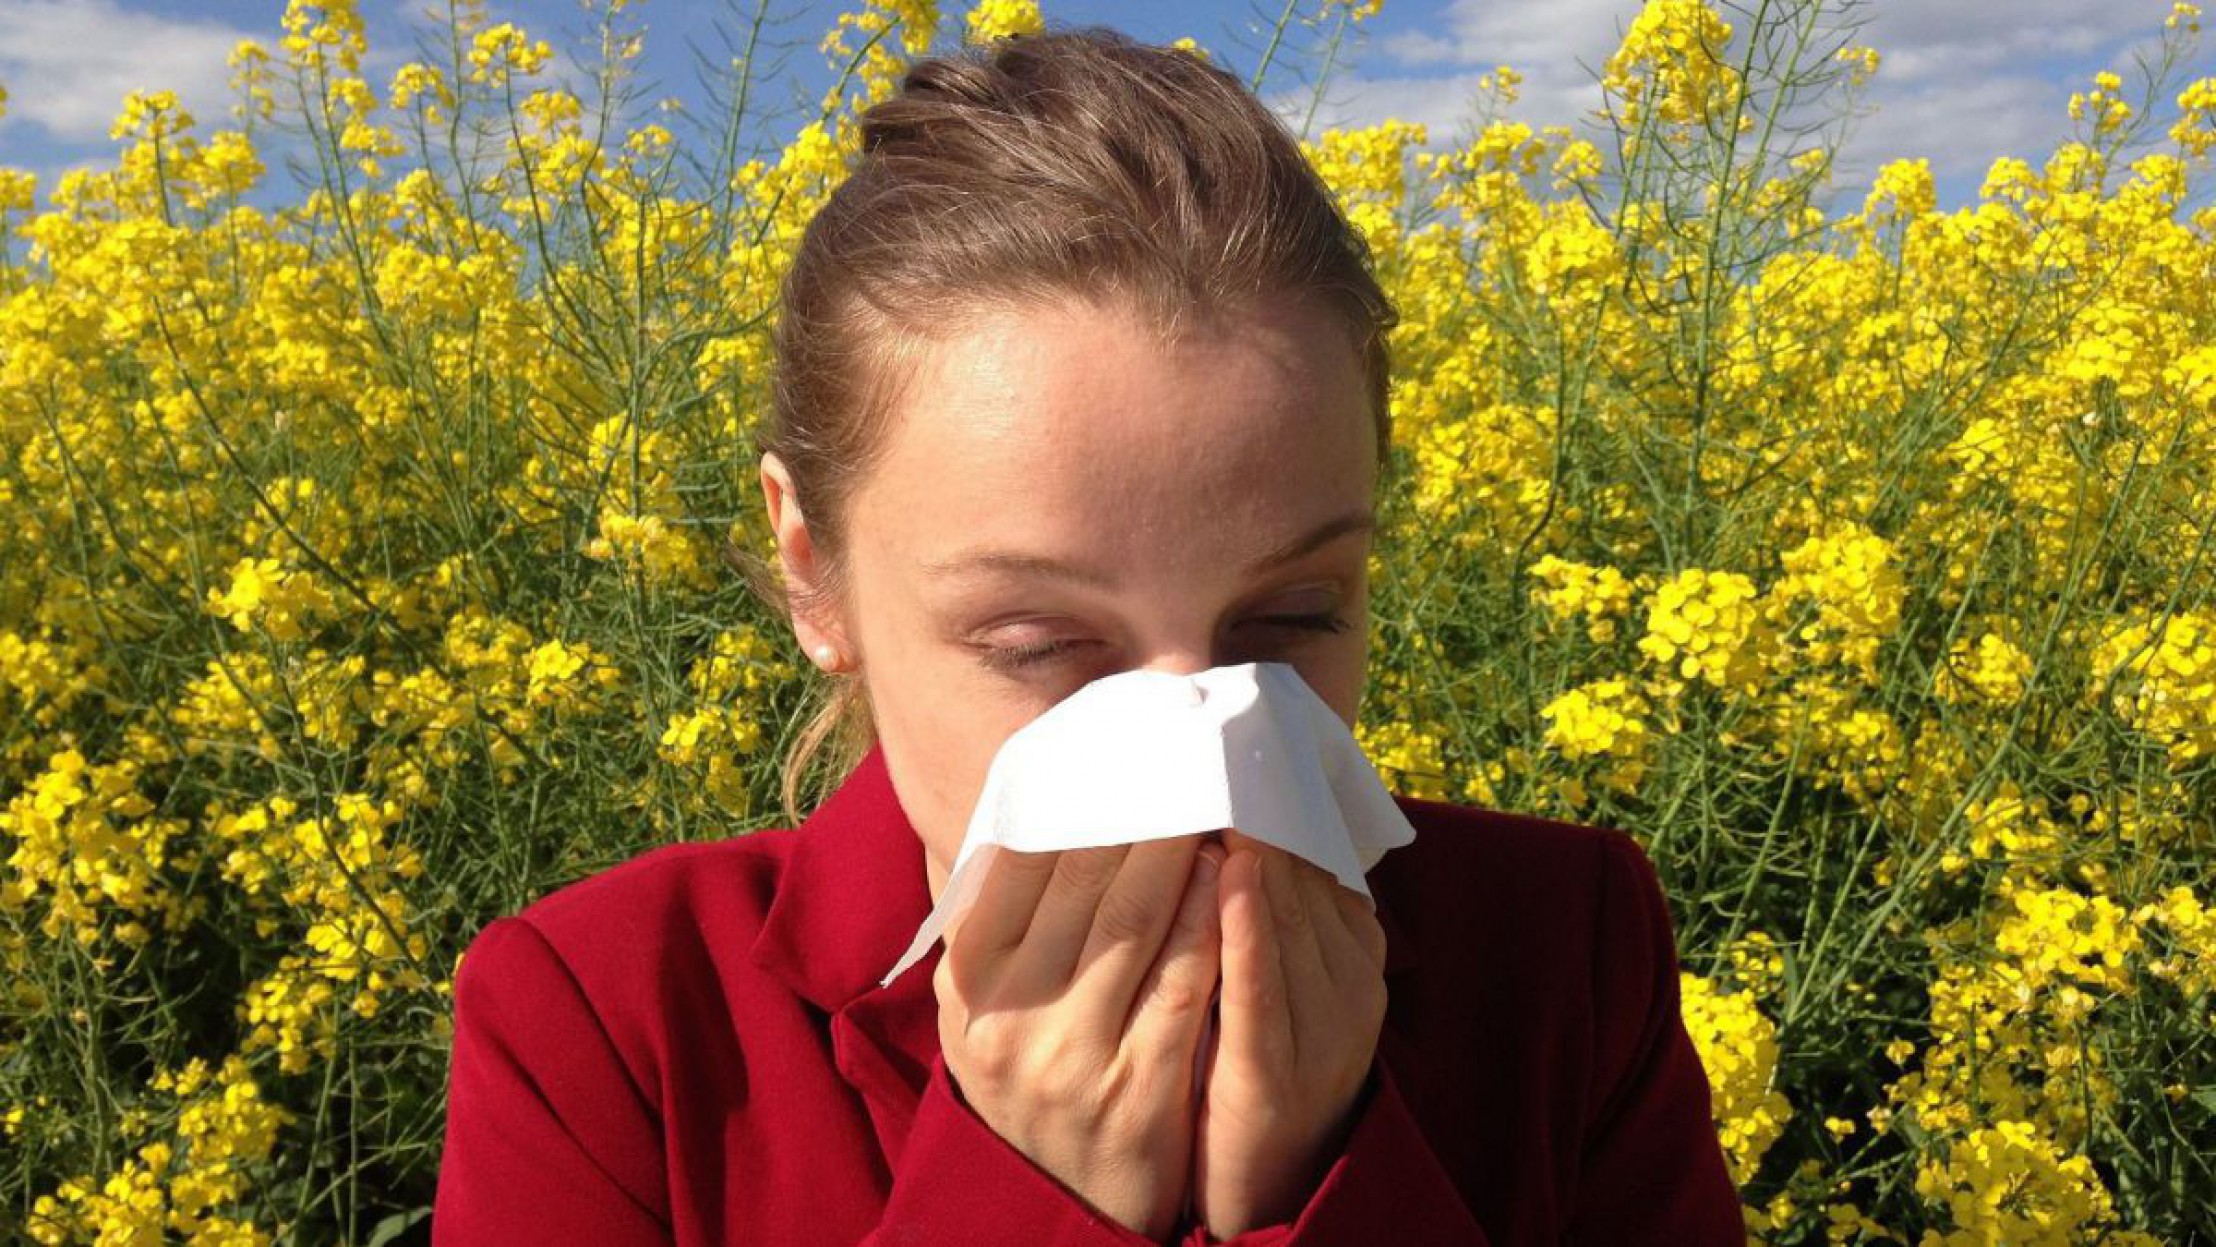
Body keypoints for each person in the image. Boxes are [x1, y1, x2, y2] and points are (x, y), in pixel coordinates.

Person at [431, 26, 1742, 1245]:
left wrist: (1321, 1177)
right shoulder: (614, 1025)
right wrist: (1024, 1198)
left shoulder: (1563, 952)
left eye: (1291, 617)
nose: (1203, 754)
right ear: (814, 572)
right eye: (1038, 642)